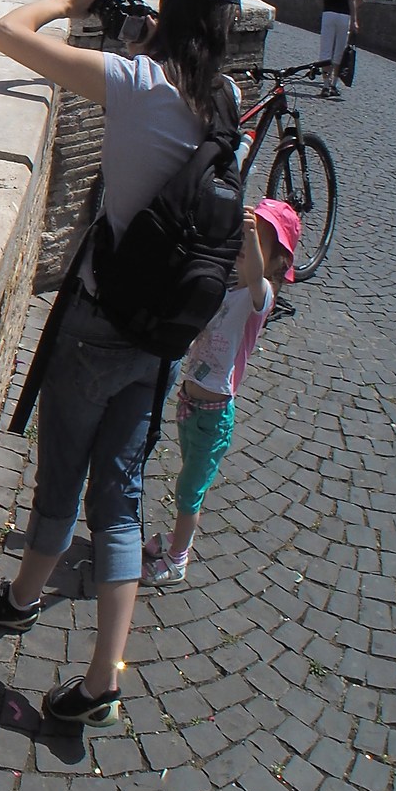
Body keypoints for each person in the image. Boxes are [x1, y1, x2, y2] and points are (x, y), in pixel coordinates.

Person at [0, 0, 246, 731]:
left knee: (60, 474)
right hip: (157, 339)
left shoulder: (136, 82)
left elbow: (8, 34)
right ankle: (103, 675)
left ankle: (18, 598)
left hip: (96, 320)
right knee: (119, 499)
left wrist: (70, 0)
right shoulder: (228, 100)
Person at [141, 198, 299, 587]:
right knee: (186, 481)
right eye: (245, 238)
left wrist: (249, 231)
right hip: (191, 405)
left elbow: (258, 277)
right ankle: (176, 539)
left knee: (189, 492)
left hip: (214, 415)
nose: (245, 246)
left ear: (277, 262)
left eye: (257, 241)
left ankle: (177, 559)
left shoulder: (260, 299)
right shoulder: (228, 290)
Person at [312, 0, 362, 98]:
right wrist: (354, 20)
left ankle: (325, 86)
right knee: (339, 51)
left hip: (329, 12)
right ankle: (334, 84)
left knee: (325, 50)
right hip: (344, 15)